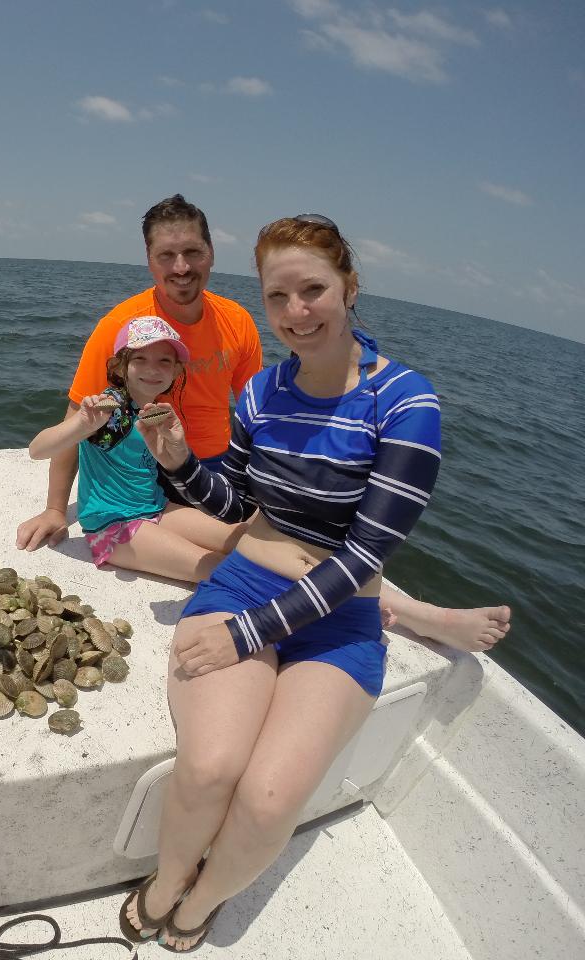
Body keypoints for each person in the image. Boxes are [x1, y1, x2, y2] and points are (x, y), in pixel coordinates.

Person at [118, 214, 455, 950]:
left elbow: (364, 559)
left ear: (350, 287)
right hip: (244, 586)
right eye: (279, 297)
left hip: (337, 625)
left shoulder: (405, 402)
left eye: (313, 290)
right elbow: (235, 505)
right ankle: (167, 880)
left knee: (269, 802)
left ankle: (203, 899)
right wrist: (177, 463)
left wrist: (245, 637)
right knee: (210, 768)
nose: (296, 313)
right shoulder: (263, 392)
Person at [18, 194, 509, 652]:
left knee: (270, 547)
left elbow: (268, 416)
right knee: (235, 567)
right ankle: (390, 611)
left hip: (205, 479)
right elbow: (73, 424)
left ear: (211, 253)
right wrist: (57, 508)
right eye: (166, 255)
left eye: (192, 251)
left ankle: (413, 611)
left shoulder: (236, 322)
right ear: (149, 262)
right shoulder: (120, 334)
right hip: (155, 491)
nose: (181, 267)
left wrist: (277, 495)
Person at [29, 316, 242, 582]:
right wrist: (81, 425)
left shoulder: (154, 413)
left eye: (164, 361)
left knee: (245, 540)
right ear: (120, 367)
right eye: (140, 359)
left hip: (158, 509)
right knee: (223, 570)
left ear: (176, 370)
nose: (152, 369)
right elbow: (37, 450)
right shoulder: (110, 411)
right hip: (113, 526)